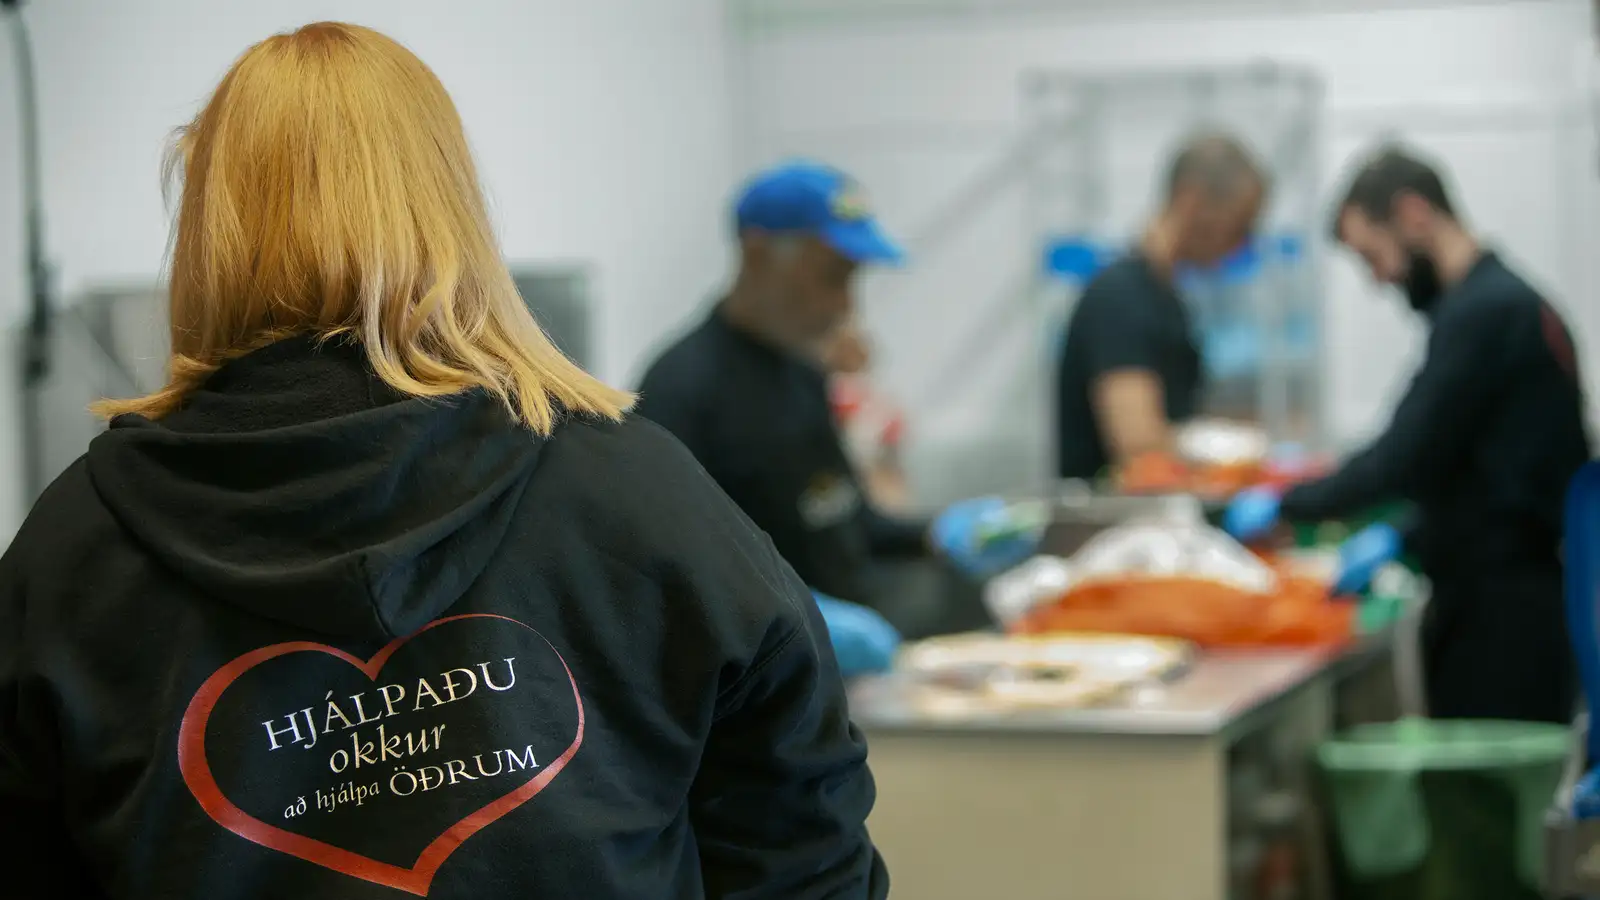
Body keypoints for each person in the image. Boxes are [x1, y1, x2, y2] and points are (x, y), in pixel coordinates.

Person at [0, 23, 887, 899]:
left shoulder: (72, 561)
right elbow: (804, 856)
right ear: (452, 204)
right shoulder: (639, 496)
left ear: (205, 223)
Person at [1227, 145, 1591, 724]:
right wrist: (1408, 534)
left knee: (1480, 775)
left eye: (1374, 256)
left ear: (1414, 214)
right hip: (1519, 598)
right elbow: (1482, 469)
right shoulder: (1508, 305)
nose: (1380, 279)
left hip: (1503, 619)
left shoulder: (1486, 314)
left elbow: (1403, 456)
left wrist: (1286, 503)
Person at [635, 162, 1007, 639]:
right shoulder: (680, 392)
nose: (846, 305)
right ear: (758, 253)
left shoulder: (802, 376)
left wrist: (938, 535)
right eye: (833, 276)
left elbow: (843, 521)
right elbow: (673, 576)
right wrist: (786, 622)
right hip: (766, 671)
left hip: (843, 653)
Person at [1055, 132, 1268, 481]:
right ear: (1191, 200)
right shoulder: (1120, 299)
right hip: (1114, 511)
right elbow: (1139, 446)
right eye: (1240, 224)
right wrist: (1221, 447)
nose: (1242, 244)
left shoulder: (1168, 299)